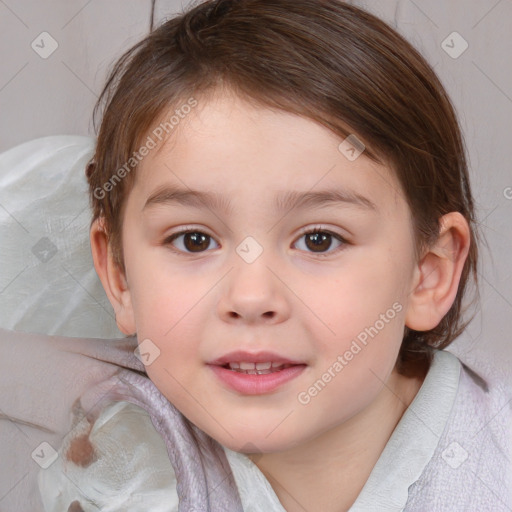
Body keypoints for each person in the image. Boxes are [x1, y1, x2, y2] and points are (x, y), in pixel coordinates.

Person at [28, 0, 512, 510]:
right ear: (119, 275)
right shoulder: (101, 461)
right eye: (194, 240)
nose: (251, 297)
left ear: (427, 274)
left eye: (319, 240)